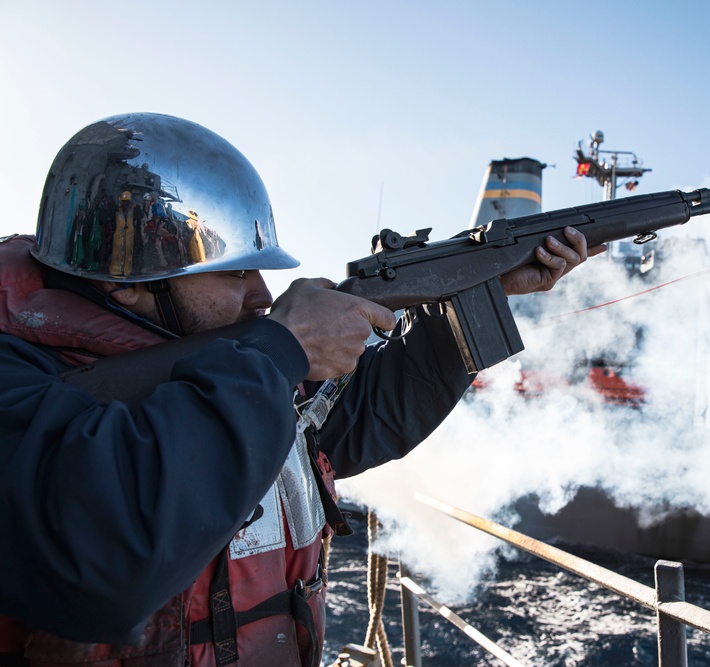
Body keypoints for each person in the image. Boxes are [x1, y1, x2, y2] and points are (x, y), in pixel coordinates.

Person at [0, 113, 601, 666]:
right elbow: (102, 562)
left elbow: (364, 420)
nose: (262, 296)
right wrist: (280, 349)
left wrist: (479, 292)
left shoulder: (231, 370)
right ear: (131, 282)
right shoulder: (20, 379)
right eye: (235, 272)